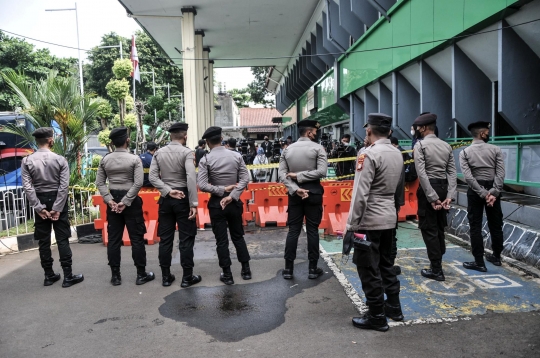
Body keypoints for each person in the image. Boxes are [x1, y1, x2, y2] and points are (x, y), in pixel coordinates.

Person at [344, 113, 404, 332]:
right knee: (387, 264)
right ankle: (394, 307)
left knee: (368, 268)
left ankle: (377, 315)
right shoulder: (397, 153)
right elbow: (399, 190)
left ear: (368, 130)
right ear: (389, 131)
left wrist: (351, 225)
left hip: (369, 221)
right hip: (389, 217)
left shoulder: (367, 155)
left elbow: (360, 194)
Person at [21, 127, 84, 288]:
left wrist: (39, 207)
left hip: (39, 199)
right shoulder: (60, 160)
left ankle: (49, 276)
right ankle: (68, 276)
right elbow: (64, 187)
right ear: (50, 140)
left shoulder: (27, 161)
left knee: (44, 241)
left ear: (37, 141)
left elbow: (28, 187)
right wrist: (57, 207)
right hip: (58, 200)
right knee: (62, 239)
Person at [96, 127, 155, 286]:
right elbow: (138, 183)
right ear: (127, 140)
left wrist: (109, 200)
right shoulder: (134, 159)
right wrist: (126, 201)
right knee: (137, 239)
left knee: (114, 239)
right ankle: (141, 275)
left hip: (113, 202)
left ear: (113, 142)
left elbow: (100, 183)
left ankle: (115, 276)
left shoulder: (105, 159)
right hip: (131, 202)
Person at [198, 126, 251, 285]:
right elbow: (245, 179)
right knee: (238, 236)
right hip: (234, 202)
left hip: (216, 203)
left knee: (221, 240)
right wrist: (232, 195)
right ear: (222, 139)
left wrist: (220, 190)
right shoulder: (236, 156)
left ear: (207, 142)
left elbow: (202, 185)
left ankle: (227, 275)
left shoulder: (205, 160)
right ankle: (246, 270)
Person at [149, 123, 201, 287]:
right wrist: (193, 203)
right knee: (186, 239)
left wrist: (167, 190)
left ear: (170, 136)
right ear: (185, 136)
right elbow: (191, 178)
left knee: (165, 239)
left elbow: (152, 178)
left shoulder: (159, 153)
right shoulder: (187, 153)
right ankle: (187, 277)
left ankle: (165, 276)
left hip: (166, 199)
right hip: (183, 198)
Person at [278, 119, 327, 280]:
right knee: (312, 231)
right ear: (309, 132)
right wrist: (302, 176)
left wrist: (296, 188)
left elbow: (282, 175)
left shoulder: (287, 150)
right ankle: (313, 269)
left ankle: (288, 269)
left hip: (295, 195)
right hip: (313, 192)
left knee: (293, 231)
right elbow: (322, 172)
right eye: (314, 131)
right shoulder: (318, 148)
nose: (316, 134)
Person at [413, 113, 457, 282]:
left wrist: (431, 197)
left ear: (423, 128)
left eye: (418, 127)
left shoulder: (420, 145)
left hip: (428, 189)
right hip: (443, 187)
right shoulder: (446, 145)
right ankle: (438, 258)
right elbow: (452, 173)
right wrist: (450, 196)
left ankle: (436, 269)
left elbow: (422, 173)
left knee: (428, 229)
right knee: (439, 227)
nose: (416, 130)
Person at [459, 121, 505, 271]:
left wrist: (483, 193)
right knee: (496, 224)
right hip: (493, 190)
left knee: (475, 226)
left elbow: (468, 177)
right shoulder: (496, 149)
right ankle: (497, 257)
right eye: (487, 132)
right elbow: (500, 173)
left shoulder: (465, 152)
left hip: (475, 191)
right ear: (483, 134)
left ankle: (479, 261)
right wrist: (493, 192)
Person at [389, 137, 407, 275]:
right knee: (391, 235)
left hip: (371, 206)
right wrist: (399, 202)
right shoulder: (397, 154)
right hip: (391, 203)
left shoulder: (366, 153)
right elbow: (400, 181)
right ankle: (389, 265)